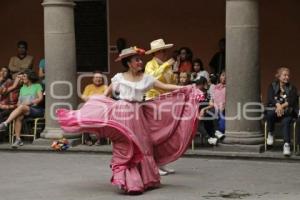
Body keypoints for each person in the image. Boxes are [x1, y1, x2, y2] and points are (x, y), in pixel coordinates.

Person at [56, 46, 201, 194]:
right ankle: (130, 182)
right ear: (128, 63)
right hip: (122, 114)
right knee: (125, 146)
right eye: (136, 60)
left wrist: (186, 88)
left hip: (138, 115)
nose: (140, 62)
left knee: (143, 146)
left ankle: (145, 179)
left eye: (139, 59)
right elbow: (105, 95)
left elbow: (165, 87)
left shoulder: (147, 78)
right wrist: (95, 108)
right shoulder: (119, 78)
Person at [144, 39, 177, 175]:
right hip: (153, 100)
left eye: (165, 51)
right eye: (163, 51)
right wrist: (166, 66)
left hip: (167, 101)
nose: (165, 53)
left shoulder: (167, 65)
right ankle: (153, 165)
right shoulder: (149, 65)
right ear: (157, 52)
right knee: (155, 134)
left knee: (165, 133)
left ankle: (162, 162)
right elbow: (151, 78)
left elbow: (171, 82)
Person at [0, 70, 44, 148]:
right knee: (18, 116)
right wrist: (20, 76)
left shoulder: (37, 86)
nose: (22, 79)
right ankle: (18, 139)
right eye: (22, 77)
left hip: (36, 110)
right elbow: (18, 103)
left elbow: (40, 98)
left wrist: (28, 103)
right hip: (24, 110)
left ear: (29, 77)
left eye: (24, 77)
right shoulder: (22, 88)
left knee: (22, 107)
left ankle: (5, 123)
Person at [266, 67, 299, 156]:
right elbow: (270, 98)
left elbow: (292, 101)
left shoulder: (292, 88)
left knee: (286, 120)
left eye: (288, 75)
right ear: (279, 76)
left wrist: (282, 106)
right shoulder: (272, 86)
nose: (287, 77)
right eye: (284, 75)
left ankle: (286, 144)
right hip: (274, 112)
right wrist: (278, 105)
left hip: (287, 113)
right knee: (269, 113)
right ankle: (271, 133)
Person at [81, 71, 108, 145]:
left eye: (100, 78)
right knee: (84, 119)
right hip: (90, 109)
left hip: (101, 110)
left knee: (100, 120)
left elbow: (106, 98)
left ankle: (102, 139)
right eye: (96, 77)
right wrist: (97, 98)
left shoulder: (105, 87)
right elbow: (84, 97)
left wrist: (92, 98)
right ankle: (87, 139)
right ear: (93, 79)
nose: (98, 79)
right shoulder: (88, 87)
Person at [195, 77, 218, 145]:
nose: (197, 86)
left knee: (207, 116)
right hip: (196, 113)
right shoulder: (195, 94)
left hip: (206, 112)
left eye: (199, 84)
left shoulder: (208, 94)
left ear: (204, 84)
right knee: (197, 121)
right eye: (197, 84)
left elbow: (211, 104)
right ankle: (209, 138)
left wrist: (203, 109)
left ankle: (211, 137)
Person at [212, 71, 226, 139]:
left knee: (222, 125)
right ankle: (216, 136)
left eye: (226, 75)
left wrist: (223, 107)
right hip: (216, 108)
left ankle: (217, 136)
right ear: (220, 76)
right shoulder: (216, 87)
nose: (224, 77)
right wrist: (216, 107)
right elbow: (213, 99)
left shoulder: (230, 87)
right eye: (223, 75)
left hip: (225, 109)